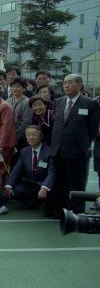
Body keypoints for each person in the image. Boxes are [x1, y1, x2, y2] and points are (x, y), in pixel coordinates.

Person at [50, 74, 99, 215]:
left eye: (70, 82)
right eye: (64, 82)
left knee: (77, 182)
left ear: (80, 85)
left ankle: (77, 211)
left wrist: (82, 143)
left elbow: (93, 128)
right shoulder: (58, 102)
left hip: (78, 151)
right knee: (60, 182)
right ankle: (61, 210)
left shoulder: (90, 103)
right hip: (58, 150)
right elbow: (57, 126)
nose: (66, 85)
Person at [5, 126, 55, 215]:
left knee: (50, 207)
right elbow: (17, 169)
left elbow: (52, 172)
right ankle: (34, 202)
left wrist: (44, 188)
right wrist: (8, 185)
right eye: (28, 135)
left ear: (41, 137)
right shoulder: (24, 151)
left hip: (43, 184)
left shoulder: (49, 151)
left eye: (34, 135)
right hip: (30, 183)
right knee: (16, 191)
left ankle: (41, 200)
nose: (30, 137)